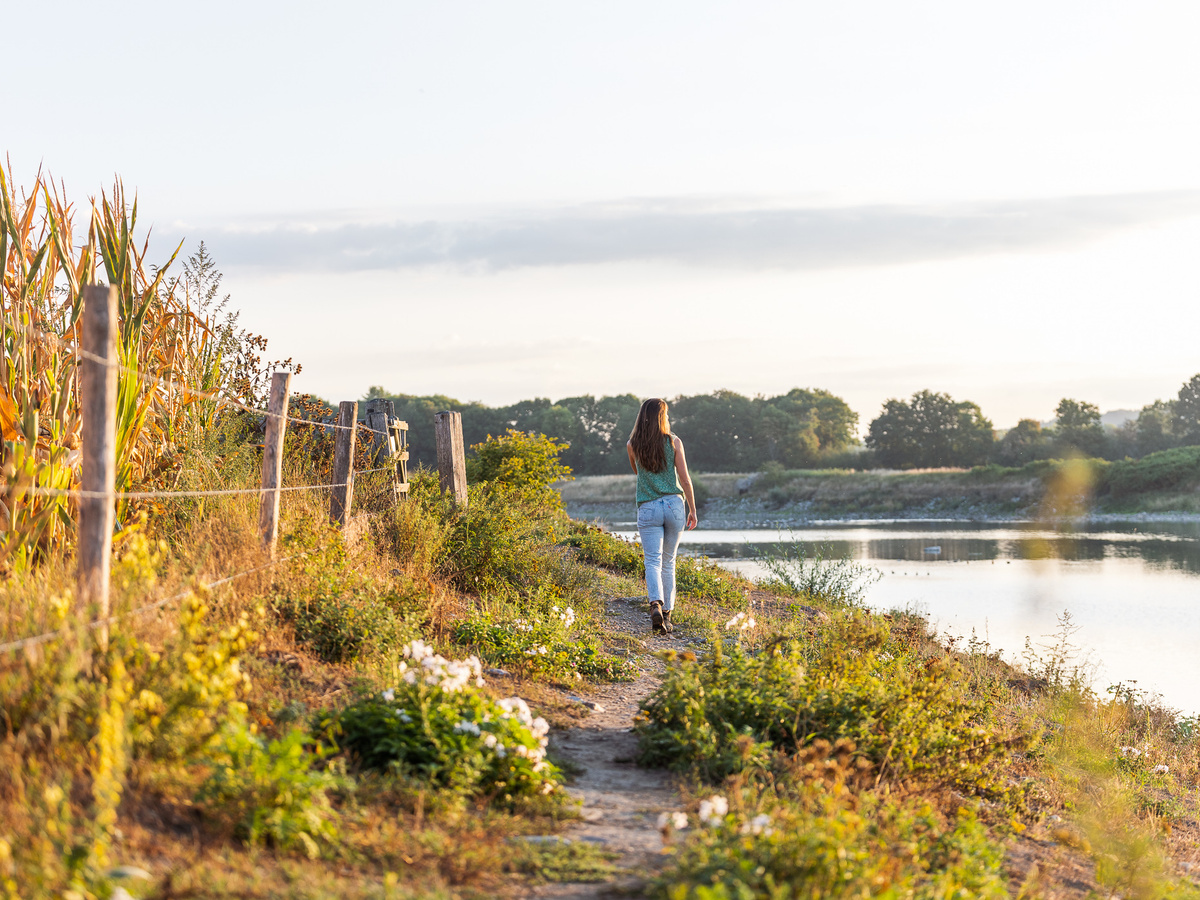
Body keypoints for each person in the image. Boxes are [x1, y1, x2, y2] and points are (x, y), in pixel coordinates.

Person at [626, 398, 698, 634]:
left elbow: (639, 473)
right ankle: (667, 615)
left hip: (648, 507)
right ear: (662, 417)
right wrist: (693, 510)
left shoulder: (633, 445)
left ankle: (655, 604)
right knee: (669, 562)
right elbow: (685, 479)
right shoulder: (674, 442)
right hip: (674, 505)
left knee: (652, 560)